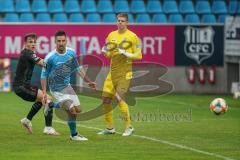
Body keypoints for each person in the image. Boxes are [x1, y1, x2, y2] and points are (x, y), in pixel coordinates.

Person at [41, 30, 96, 141]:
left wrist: (88, 81)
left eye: (63, 40)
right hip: (56, 89)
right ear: (55, 42)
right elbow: (43, 75)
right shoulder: (50, 57)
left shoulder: (71, 53)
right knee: (72, 111)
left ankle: (51, 105)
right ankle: (74, 135)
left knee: (78, 109)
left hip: (67, 86)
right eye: (59, 41)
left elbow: (78, 69)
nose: (61, 43)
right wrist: (44, 93)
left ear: (66, 41)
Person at [98, 13, 142, 136]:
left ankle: (129, 127)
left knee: (119, 97)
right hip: (112, 72)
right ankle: (110, 128)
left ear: (127, 23)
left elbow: (139, 55)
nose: (120, 23)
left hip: (125, 73)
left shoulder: (133, 37)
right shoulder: (111, 35)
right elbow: (108, 54)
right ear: (116, 22)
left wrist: (127, 54)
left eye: (123, 21)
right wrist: (104, 51)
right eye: (118, 20)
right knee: (105, 99)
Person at [12, 33, 60, 135]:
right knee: (48, 99)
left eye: (34, 42)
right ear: (25, 43)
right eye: (30, 42)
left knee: (42, 99)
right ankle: (48, 128)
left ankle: (27, 120)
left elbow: (42, 63)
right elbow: (41, 63)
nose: (33, 44)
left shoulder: (27, 54)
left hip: (23, 86)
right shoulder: (28, 53)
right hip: (21, 87)